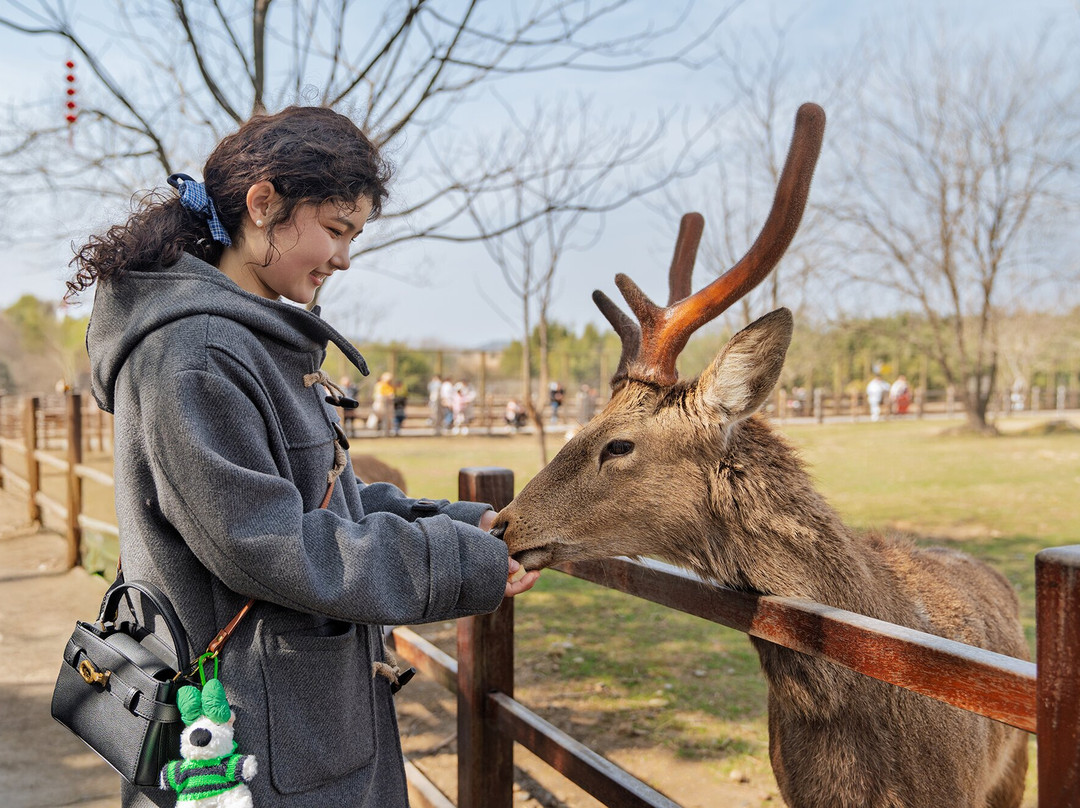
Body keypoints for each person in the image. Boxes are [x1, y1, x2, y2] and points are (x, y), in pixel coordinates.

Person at [67, 105, 539, 808]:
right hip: (250, 746)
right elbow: (266, 541)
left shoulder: (252, 342)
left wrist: (462, 524)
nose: (345, 256)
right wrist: (450, 564)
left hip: (302, 729)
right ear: (264, 204)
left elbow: (324, 499)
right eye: (337, 229)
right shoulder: (192, 357)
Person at [373, 371, 395, 435]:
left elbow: (392, 395)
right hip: (380, 404)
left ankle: (387, 432)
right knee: (378, 418)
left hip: (388, 405)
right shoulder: (379, 385)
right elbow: (379, 395)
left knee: (388, 419)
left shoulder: (390, 386)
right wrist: (387, 396)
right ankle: (377, 430)